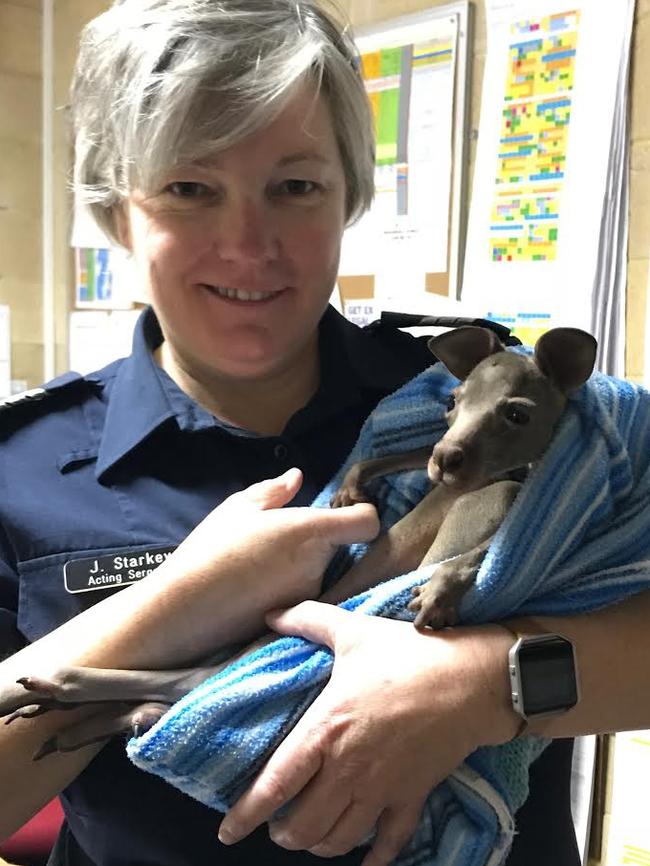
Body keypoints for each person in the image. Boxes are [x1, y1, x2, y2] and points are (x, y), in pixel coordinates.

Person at [0, 1, 647, 864]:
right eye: (190, 188)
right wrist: (170, 610)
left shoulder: (476, 392)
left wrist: (482, 685)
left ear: (349, 194)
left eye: (295, 185)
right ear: (119, 211)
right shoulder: (24, 468)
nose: (247, 243)